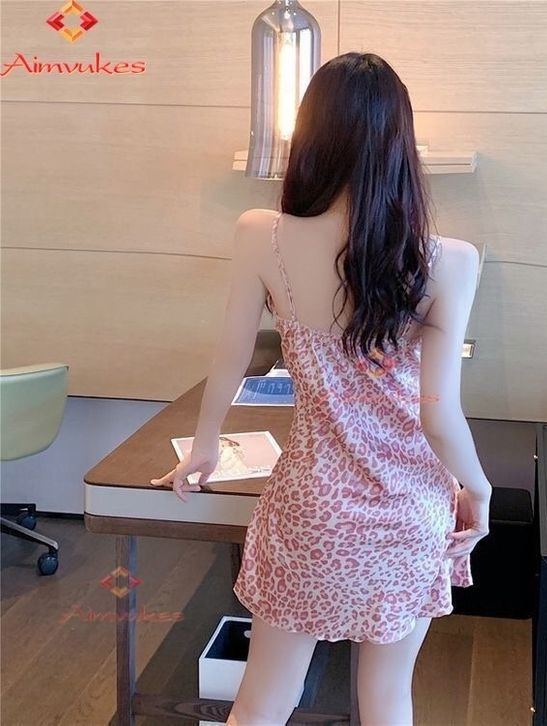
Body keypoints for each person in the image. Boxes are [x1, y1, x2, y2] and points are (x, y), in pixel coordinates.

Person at [150, 51, 492, 726]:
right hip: (408, 510)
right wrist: (477, 489)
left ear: (310, 135)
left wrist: (206, 445)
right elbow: (438, 414)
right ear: (400, 142)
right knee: (387, 698)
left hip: (309, 507)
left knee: (262, 699)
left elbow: (231, 355)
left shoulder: (261, 235)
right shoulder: (449, 261)